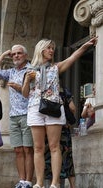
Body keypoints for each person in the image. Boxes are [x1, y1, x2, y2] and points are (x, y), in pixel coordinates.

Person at [22, 36, 97, 188]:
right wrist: (26, 80)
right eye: (48, 48)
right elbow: (25, 94)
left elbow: (73, 57)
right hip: (35, 108)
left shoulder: (55, 67)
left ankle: (55, 183)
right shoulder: (30, 70)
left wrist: (85, 46)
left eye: (52, 48)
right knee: (38, 148)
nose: (51, 51)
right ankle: (39, 183)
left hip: (54, 108)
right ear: (41, 50)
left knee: (55, 146)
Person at [0, 45, 34, 188]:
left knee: (28, 149)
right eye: (13, 54)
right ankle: (21, 180)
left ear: (25, 55)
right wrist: (3, 55)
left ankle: (28, 181)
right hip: (14, 116)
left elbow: (35, 92)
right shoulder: (11, 72)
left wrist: (19, 88)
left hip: (28, 113)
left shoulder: (32, 70)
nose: (16, 56)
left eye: (19, 53)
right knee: (18, 150)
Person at [44, 86, 76, 188]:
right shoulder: (64, 91)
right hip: (63, 128)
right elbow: (73, 108)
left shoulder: (44, 90)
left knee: (50, 156)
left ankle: (54, 183)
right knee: (67, 158)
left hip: (48, 128)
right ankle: (73, 186)